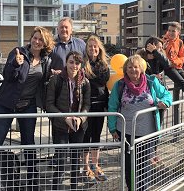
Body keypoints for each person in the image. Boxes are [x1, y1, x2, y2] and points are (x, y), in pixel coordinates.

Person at [0, 26, 55, 190]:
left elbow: (43, 80)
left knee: (29, 144)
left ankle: (32, 179)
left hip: (27, 105)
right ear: (31, 38)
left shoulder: (46, 60)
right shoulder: (18, 53)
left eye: (40, 39)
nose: (36, 41)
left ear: (45, 43)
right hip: (6, 104)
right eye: (35, 38)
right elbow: (8, 76)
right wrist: (15, 64)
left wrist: (53, 75)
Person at [107, 54, 172, 191]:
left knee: (144, 166)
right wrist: (112, 129)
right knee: (129, 166)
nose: (133, 70)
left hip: (147, 132)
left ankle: (142, 188)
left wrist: (165, 102)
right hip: (126, 132)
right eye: (129, 67)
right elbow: (112, 107)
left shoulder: (151, 81)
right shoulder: (119, 85)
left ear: (141, 69)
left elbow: (167, 95)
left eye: (136, 67)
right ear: (125, 70)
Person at [46, 51, 91, 190]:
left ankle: (73, 187)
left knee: (75, 161)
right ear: (66, 62)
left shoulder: (85, 82)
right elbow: (49, 104)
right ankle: (56, 188)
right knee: (60, 160)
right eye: (71, 62)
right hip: (60, 126)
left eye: (77, 63)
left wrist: (80, 118)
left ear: (81, 64)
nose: (74, 65)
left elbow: (87, 105)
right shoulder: (56, 80)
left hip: (78, 127)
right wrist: (64, 117)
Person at [83, 35, 110, 182]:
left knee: (97, 135)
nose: (92, 48)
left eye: (95, 46)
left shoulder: (104, 65)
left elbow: (103, 82)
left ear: (99, 48)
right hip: (86, 105)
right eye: (89, 46)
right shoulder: (82, 64)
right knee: (86, 136)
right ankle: (85, 167)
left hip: (100, 104)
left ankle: (96, 165)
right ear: (86, 49)